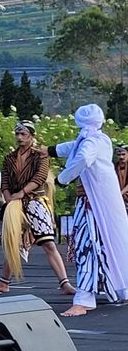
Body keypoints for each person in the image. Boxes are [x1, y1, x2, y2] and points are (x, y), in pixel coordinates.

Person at [50, 104, 128, 316]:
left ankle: (83, 299)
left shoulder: (92, 141)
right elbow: (73, 148)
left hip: (94, 206)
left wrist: (62, 178)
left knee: (87, 248)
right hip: (98, 204)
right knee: (103, 248)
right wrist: (50, 150)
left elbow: (83, 157)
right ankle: (111, 288)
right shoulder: (98, 139)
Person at [0, 121, 75, 296]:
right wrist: (9, 199)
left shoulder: (41, 156)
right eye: (17, 134)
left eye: (23, 134)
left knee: (48, 243)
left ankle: (64, 283)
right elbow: (5, 182)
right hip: (15, 203)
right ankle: (4, 283)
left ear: (31, 135)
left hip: (35, 200)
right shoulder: (9, 158)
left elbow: (40, 177)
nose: (19, 137)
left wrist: (22, 192)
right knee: (12, 242)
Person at [114, 144, 128, 211]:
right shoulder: (114, 167)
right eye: (119, 155)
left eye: (123, 154)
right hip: (118, 197)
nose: (121, 157)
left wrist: (121, 193)